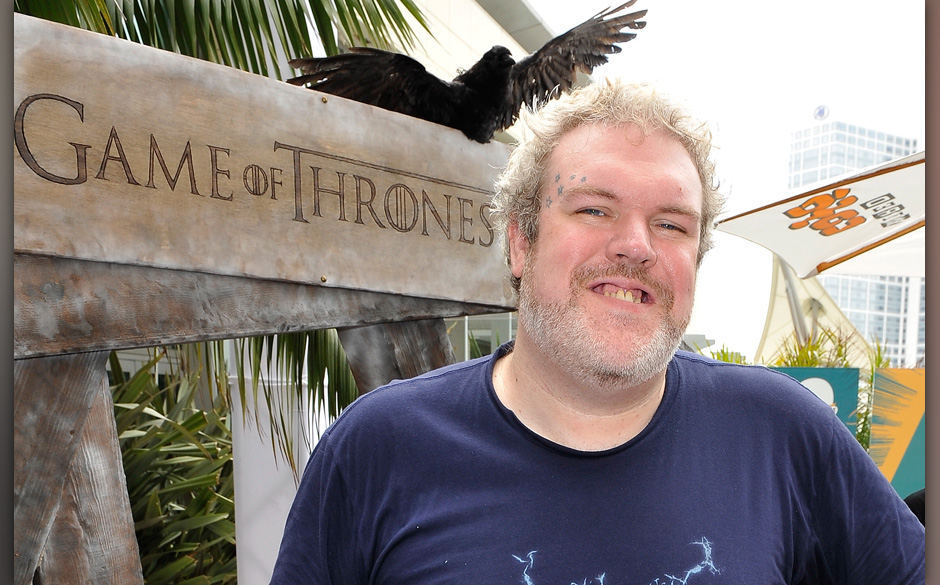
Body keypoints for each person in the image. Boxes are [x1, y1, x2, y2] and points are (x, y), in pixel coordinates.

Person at [269, 80, 925, 584]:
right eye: (594, 209)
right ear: (521, 242)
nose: (637, 245)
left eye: (671, 224)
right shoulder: (379, 448)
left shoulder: (783, 433)